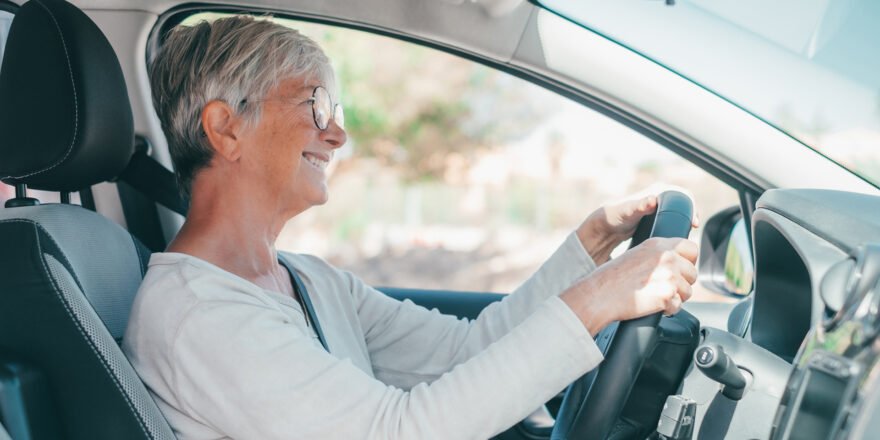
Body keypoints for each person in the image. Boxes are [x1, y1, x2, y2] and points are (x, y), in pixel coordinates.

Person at [123, 15, 699, 439]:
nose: (337, 134)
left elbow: (466, 351)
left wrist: (592, 248)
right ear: (226, 128)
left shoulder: (308, 281)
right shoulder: (198, 316)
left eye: (337, 113)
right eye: (316, 105)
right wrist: (599, 299)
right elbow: (398, 432)